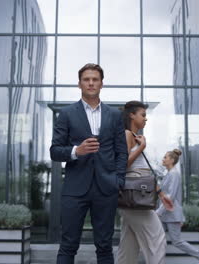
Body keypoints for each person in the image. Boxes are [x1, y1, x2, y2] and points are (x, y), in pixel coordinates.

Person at [50, 63, 128, 264]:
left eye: (95, 79)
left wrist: (118, 180)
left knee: (104, 246)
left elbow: (121, 151)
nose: (91, 83)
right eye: (86, 79)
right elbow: (55, 151)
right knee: (68, 246)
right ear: (79, 84)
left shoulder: (114, 115)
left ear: (102, 83)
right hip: (75, 189)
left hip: (106, 188)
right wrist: (77, 151)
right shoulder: (66, 114)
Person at [117, 101, 173, 264]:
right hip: (135, 197)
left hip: (135, 196)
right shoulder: (127, 134)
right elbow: (123, 164)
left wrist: (161, 194)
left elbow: (143, 171)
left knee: (128, 247)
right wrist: (142, 147)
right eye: (143, 115)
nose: (146, 119)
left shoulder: (135, 137)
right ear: (131, 115)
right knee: (157, 239)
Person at [157, 149, 199, 264]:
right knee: (157, 239)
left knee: (176, 241)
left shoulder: (174, 174)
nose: (163, 159)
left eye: (165, 157)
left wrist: (158, 211)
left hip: (171, 214)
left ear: (172, 160)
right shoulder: (168, 174)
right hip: (165, 214)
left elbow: (171, 197)